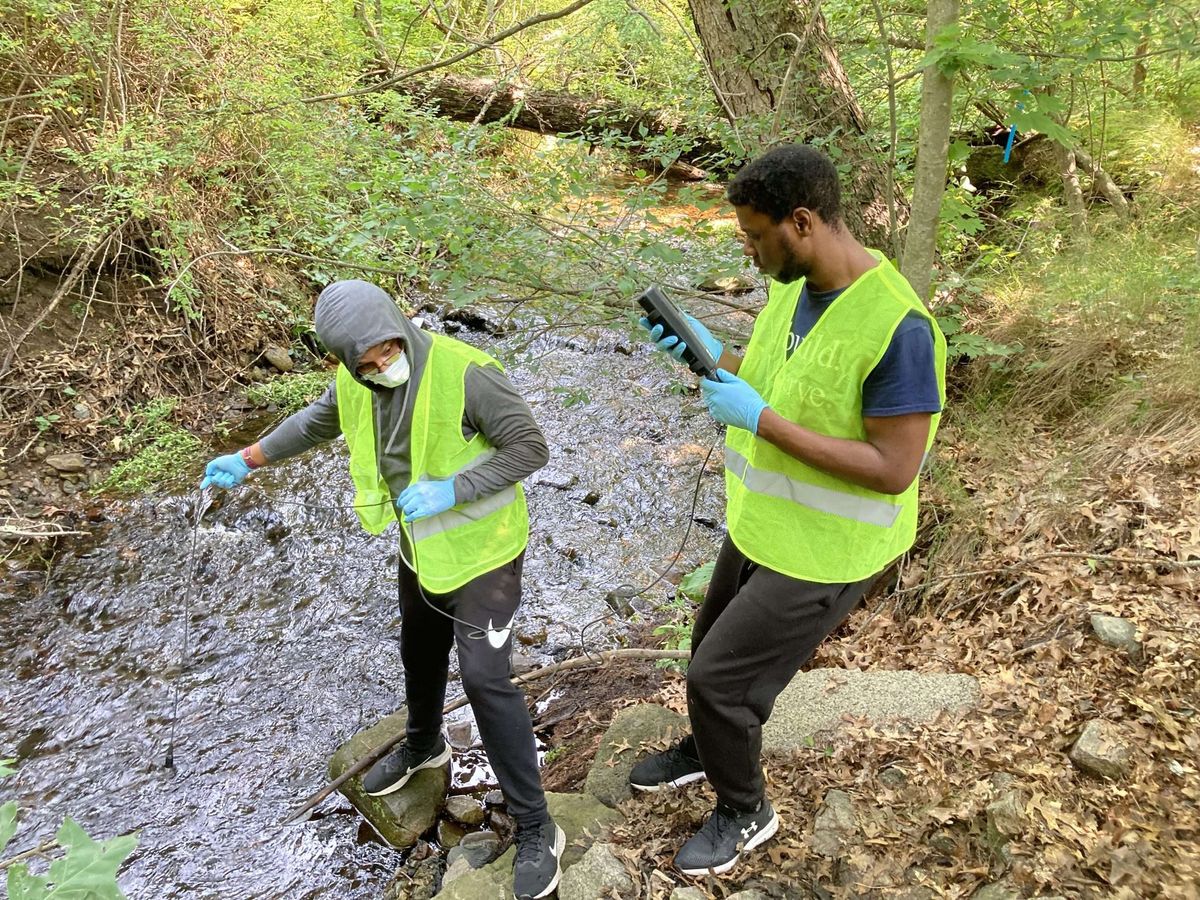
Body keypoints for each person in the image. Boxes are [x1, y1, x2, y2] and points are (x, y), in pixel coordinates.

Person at [630, 144, 946, 875]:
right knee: (706, 656)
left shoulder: (899, 328)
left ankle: (745, 810)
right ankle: (707, 750)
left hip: (831, 549)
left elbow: (895, 469)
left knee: (723, 681)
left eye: (753, 235)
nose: (746, 250)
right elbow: (770, 381)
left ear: (801, 222)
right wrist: (709, 355)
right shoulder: (791, 287)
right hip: (766, 524)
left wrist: (759, 420)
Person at [201, 280, 564, 900]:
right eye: (364, 364)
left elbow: (531, 447)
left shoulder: (468, 373)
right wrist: (250, 456)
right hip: (421, 551)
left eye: (385, 352)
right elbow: (319, 420)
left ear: (400, 326)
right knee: (419, 652)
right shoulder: (355, 381)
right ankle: (424, 747)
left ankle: (537, 827)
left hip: (484, 555)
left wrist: (456, 488)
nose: (379, 367)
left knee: (484, 678)